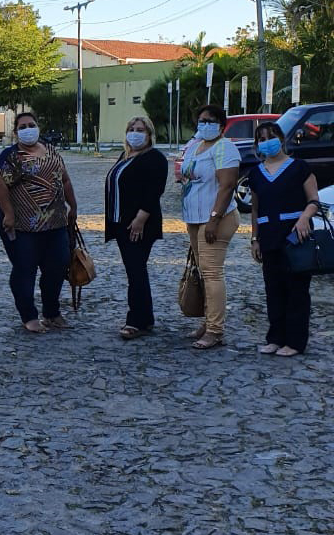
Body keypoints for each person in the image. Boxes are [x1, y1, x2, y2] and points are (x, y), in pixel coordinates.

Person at [0, 111, 78, 333]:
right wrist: (8, 213)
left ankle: (51, 312)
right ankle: (28, 315)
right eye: (22, 126)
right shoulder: (11, 156)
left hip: (55, 224)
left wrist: (73, 206)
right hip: (22, 225)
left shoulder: (51, 151)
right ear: (16, 132)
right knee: (25, 268)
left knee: (57, 267)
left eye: (31, 124)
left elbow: (65, 180)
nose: (28, 129)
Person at [248, 122, 320, 356]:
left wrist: (303, 219)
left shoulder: (299, 167)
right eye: (261, 138)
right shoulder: (256, 173)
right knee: (273, 288)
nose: (266, 142)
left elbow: (314, 201)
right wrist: (255, 239)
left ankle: (295, 341)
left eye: (271, 136)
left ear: (280, 138)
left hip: (295, 235)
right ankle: (275, 337)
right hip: (269, 235)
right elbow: (256, 210)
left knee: (296, 289)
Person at [179, 104, 241, 349]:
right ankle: (208, 320)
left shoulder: (226, 148)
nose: (205, 124)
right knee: (203, 272)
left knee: (212, 273)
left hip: (215, 219)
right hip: (194, 219)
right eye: (201, 120)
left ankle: (215, 329)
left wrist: (214, 219)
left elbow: (227, 186)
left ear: (221, 125)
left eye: (210, 120)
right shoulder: (196, 146)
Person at [104, 116, 168, 339]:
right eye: (131, 129)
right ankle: (146, 317)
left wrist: (140, 219)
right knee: (136, 270)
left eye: (140, 129)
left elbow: (154, 191)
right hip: (122, 223)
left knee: (135, 271)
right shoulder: (126, 155)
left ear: (149, 134)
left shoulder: (155, 158)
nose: (135, 133)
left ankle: (135, 320)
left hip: (139, 225)